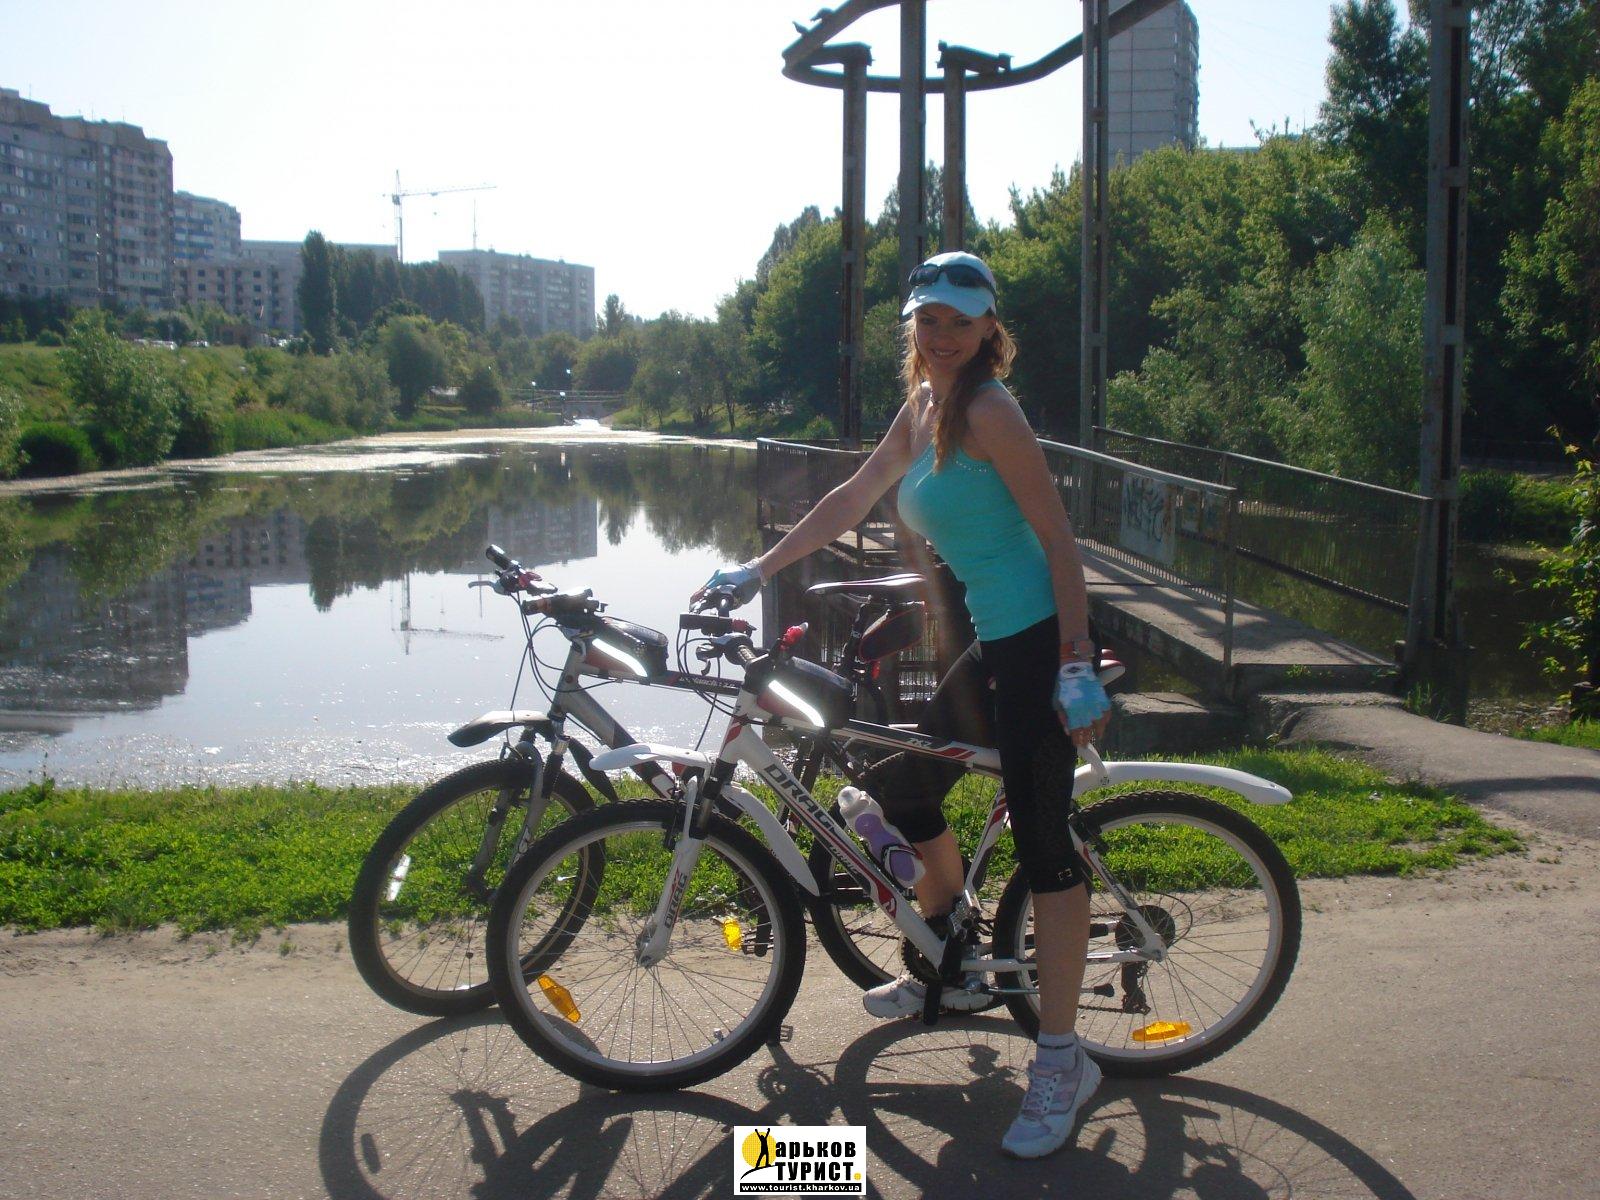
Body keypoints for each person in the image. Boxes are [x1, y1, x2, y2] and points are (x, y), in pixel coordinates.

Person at [694, 250, 1112, 1159]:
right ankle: (948, 959)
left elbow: (1059, 540)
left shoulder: (992, 411)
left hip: (1037, 642)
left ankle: (1062, 1059)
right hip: (989, 638)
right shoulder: (925, 405)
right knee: (903, 787)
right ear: (914, 325)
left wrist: (1076, 661)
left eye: (962, 321)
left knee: (1045, 848)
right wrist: (759, 568)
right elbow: (853, 496)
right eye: (930, 320)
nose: (944, 335)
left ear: (989, 327)